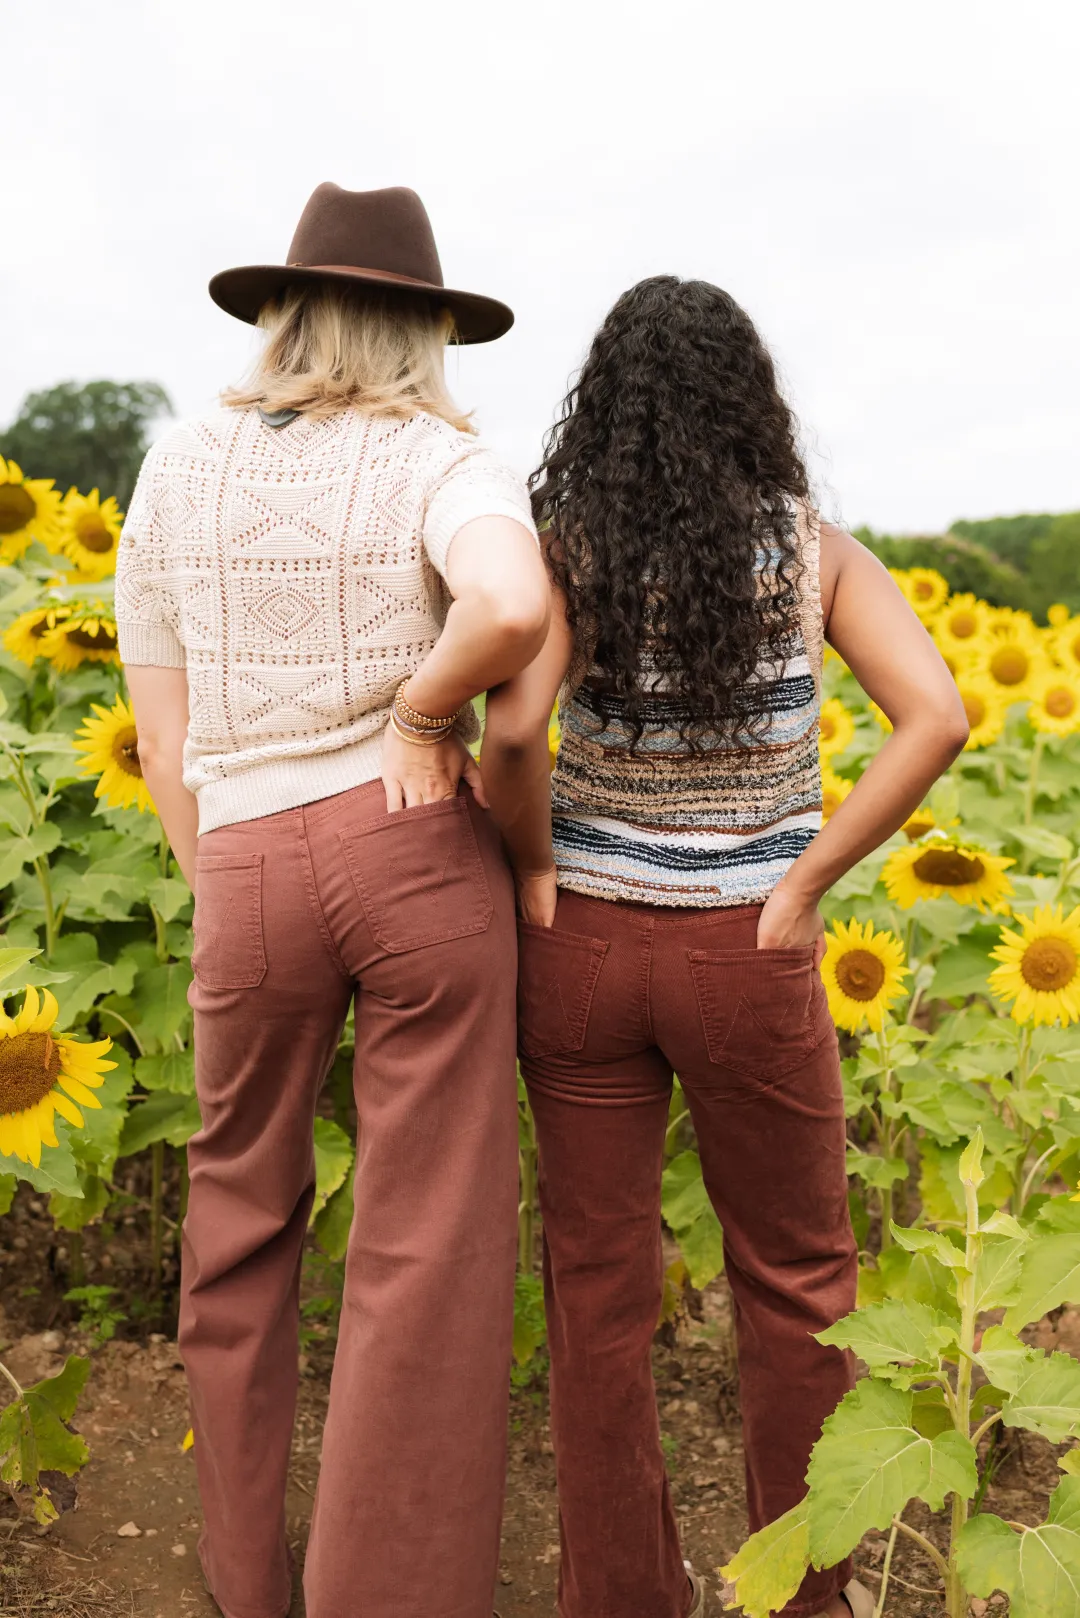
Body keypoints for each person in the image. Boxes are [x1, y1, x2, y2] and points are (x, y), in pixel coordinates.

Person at [480, 275, 969, 1618]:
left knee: (593, 1293)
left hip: (580, 949)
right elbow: (935, 713)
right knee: (799, 1282)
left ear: (609, 408)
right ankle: (803, 1597)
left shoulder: (565, 540)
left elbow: (515, 734)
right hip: (744, 951)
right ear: (749, 400)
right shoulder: (809, 547)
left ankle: (623, 1596)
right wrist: (807, 876)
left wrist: (533, 858)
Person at [116, 183, 550, 1618]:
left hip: (243, 857)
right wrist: (425, 718)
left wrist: (233, 867)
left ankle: (249, 1584)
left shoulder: (178, 465)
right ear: (427, 328)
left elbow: (165, 738)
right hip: (413, 849)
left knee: (236, 1216)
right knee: (424, 1237)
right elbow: (505, 607)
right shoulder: (447, 458)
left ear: (287, 309)